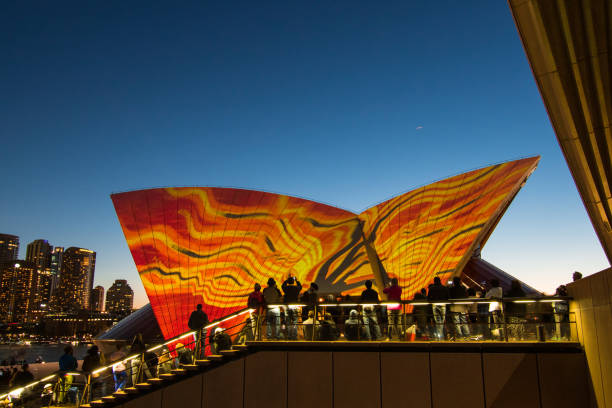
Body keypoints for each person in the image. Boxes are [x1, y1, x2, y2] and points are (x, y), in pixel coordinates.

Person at [282, 276, 302, 340]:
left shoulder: (286, 288)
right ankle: (294, 336)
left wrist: (286, 281)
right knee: (295, 321)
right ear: (293, 282)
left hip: (287, 305)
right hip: (294, 305)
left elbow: (282, 286)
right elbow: (300, 286)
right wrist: (297, 280)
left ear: (288, 282)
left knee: (288, 321)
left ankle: (289, 336)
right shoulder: (296, 288)